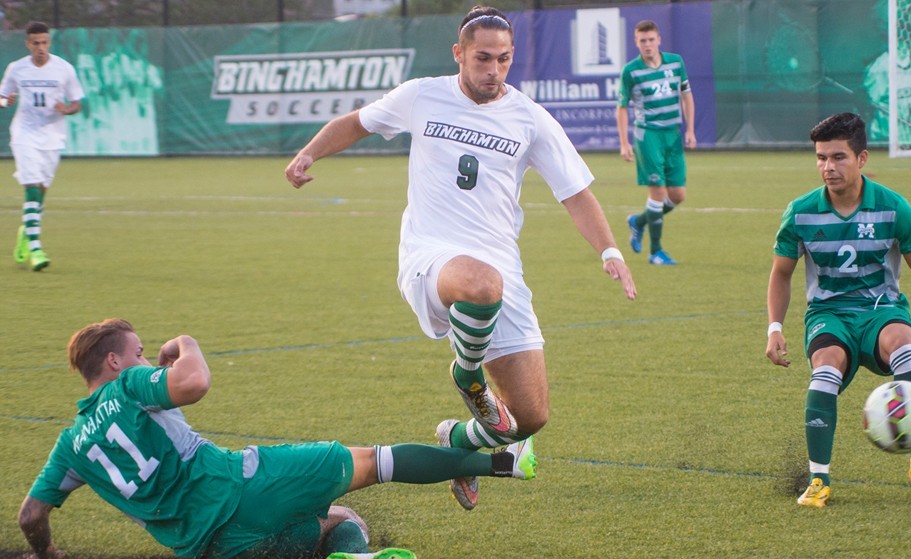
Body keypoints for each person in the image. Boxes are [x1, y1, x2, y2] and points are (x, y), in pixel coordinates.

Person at [284, 5, 635, 511]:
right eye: (482, 58)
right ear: (459, 54)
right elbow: (357, 123)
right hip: (431, 257)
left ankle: (459, 440)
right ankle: (466, 373)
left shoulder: (530, 117)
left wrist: (609, 250)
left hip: (500, 268)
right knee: (479, 283)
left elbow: (575, 191)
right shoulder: (422, 95)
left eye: (504, 60)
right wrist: (309, 153)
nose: (493, 71)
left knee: (528, 417)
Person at [18, 319, 536, 559]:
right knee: (374, 464)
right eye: (136, 353)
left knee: (335, 526)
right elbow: (193, 383)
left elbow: (31, 516)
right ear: (113, 363)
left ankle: (349, 558)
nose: (141, 359)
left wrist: (46, 555)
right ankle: (504, 464)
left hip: (210, 549)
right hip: (240, 487)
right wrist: (186, 343)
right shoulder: (127, 388)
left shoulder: (69, 448)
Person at [764, 112, 911, 508]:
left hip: (881, 310)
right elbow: (781, 274)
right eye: (821, 158)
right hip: (828, 314)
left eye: (838, 157)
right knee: (826, 367)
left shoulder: (893, 207)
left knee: (903, 342)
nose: (828, 167)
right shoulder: (799, 212)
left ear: (862, 158)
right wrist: (774, 327)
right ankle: (819, 479)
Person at [0, 21, 84, 271]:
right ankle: (36, 249)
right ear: (28, 44)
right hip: (24, 134)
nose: (40, 47)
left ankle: (26, 232)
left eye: (44, 42)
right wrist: (6, 101)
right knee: (32, 188)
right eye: (35, 43)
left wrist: (66, 109)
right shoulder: (17, 69)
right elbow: (1, 97)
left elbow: (77, 101)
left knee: (41, 194)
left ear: (49, 42)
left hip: (52, 137)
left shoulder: (63, 69)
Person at [616, 19, 696, 266]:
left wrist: (690, 129)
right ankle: (656, 252)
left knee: (678, 195)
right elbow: (621, 107)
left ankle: (638, 222)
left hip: (672, 135)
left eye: (651, 39)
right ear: (636, 42)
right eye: (642, 41)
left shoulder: (675, 62)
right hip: (647, 135)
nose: (647, 44)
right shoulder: (631, 71)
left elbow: (686, 95)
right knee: (659, 192)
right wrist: (624, 142)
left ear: (659, 40)